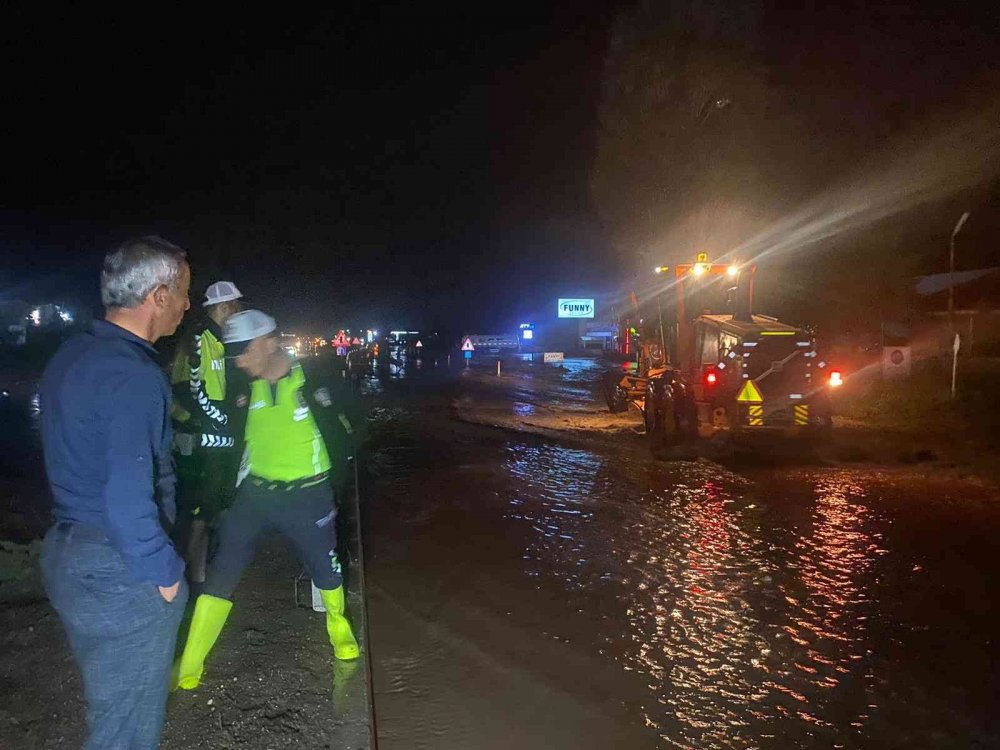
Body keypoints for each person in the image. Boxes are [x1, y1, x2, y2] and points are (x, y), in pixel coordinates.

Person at [39, 236, 191, 749]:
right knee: (124, 733)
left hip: (67, 553)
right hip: (118, 566)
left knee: (111, 713)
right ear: (159, 295)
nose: (187, 305)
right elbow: (128, 498)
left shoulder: (72, 355)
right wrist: (165, 574)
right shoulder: (134, 376)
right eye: (183, 292)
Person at [173, 309, 360, 691]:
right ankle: (189, 665)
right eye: (235, 353)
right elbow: (226, 437)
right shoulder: (241, 392)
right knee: (222, 569)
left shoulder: (316, 381)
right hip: (255, 496)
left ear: (270, 342)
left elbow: (354, 425)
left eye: (245, 350)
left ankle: (340, 631)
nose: (239, 361)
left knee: (326, 571)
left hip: (308, 495)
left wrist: (336, 481)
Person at [169, 281, 244, 582]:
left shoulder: (223, 341)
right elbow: (189, 389)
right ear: (223, 307)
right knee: (200, 506)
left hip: (217, 437)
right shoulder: (199, 339)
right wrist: (216, 418)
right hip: (201, 439)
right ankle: (192, 575)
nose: (238, 312)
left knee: (214, 503)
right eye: (236, 307)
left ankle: (203, 569)